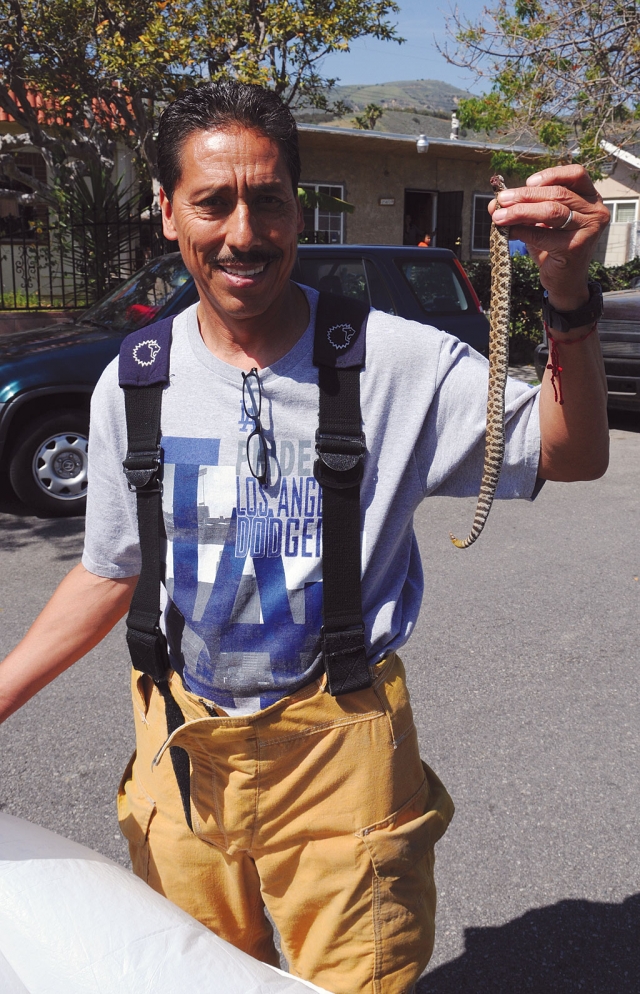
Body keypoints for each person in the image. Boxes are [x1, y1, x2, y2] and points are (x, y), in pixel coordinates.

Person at [0, 81, 609, 994]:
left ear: (297, 207)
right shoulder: (135, 381)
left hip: (344, 749)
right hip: (182, 749)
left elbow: (573, 454)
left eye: (269, 199)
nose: (244, 232)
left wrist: (567, 300)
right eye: (212, 202)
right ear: (167, 212)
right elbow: (110, 570)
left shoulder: (399, 360)